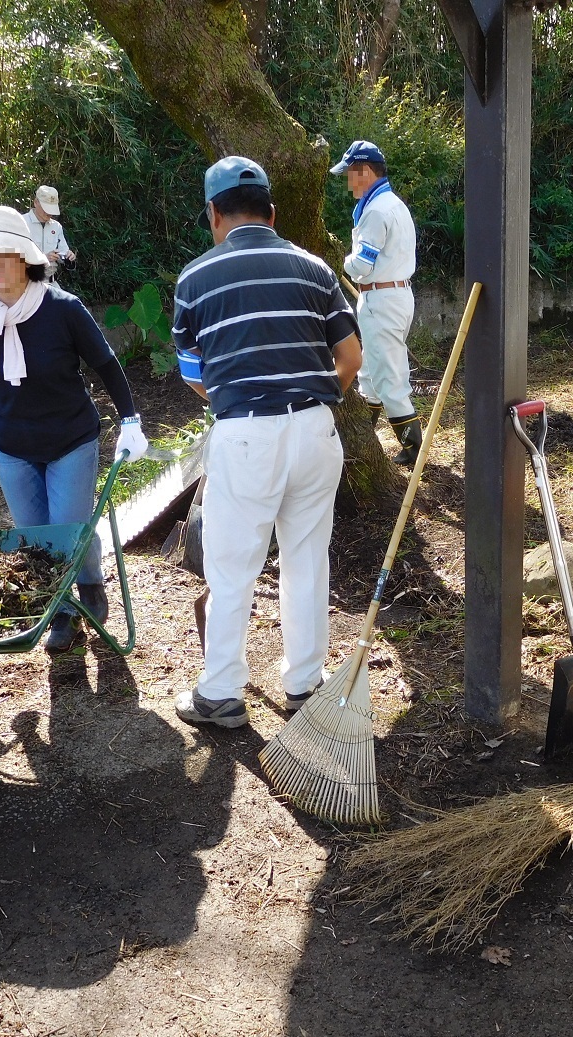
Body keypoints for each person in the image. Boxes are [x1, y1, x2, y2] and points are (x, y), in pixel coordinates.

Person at [171, 156, 363, 729]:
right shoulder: (315, 270)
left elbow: (192, 372)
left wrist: (237, 403)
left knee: (233, 567)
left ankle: (221, 693)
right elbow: (351, 358)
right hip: (314, 428)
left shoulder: (194, 279)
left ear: (213, 214)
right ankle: (305, 683)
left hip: (244, 431)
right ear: (272, 213)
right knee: (307, 559)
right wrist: (317, 404)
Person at [0, 206, 148, 652]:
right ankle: (60, 612)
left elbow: (106, 364)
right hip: (10, 445)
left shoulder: (63, 309)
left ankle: (91, 588)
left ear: (25, 258)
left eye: (3, 258)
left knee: (69, 528)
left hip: (69, 440)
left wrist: (130, 420)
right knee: (34, 534)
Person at [331, 140, 420, 464]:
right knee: (370, 369)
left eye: (350, 174)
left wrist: (344, 261)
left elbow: (361, 264)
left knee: (388, 374)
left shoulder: (377, 210)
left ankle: (412, 447)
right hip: (389, 294)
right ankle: (364, 433)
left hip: (382, 296)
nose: (348, 182)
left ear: (365, 172)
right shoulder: (391, 204)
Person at [23, 186, 77, 282]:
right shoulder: (21, 223)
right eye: (46, 208)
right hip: (26, 282)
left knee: (67, 298)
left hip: (50, 282)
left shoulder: (56, 227)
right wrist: (43, 258)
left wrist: (68, 257)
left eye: (52, 209)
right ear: (36, 202)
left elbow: (63, 252)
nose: (49, 213)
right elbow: (13, 257)